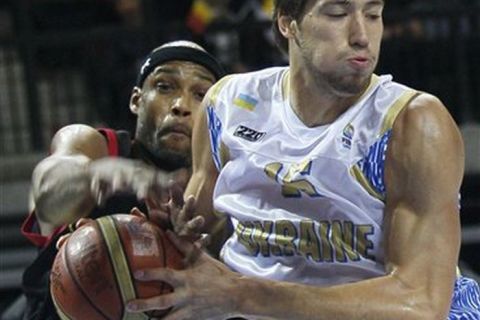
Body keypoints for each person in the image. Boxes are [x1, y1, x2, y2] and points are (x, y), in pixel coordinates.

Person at [126, 1, 480, 319]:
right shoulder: (227, 104)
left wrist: (245, 295)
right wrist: (168, 232)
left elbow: (420, 302)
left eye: (373, 15)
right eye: (338, 14)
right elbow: (201, 230)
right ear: (287, 22)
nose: (361, 36)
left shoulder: (411, 123)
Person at [3, 40, 224, 320]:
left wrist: (189, 252)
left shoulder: (221, 188)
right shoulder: (95, 146)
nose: (181, 105)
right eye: (165, 86)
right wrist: (95, 176)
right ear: (136, 100)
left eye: (200, 94)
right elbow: (48, 194)